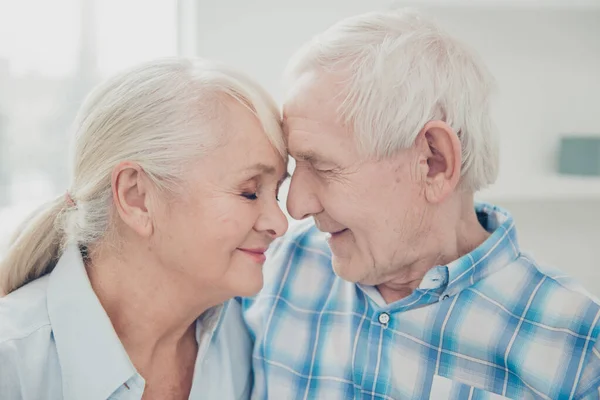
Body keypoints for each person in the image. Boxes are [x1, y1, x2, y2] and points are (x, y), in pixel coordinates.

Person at [242, 9, 600, 400]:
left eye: (323, 166)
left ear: (433, 162)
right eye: (297, 166)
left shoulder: (578, 348)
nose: (295, 207)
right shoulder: (278, 267)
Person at [0, 58, 289, 400]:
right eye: (249, 191)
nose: (280, 223)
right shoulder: (12, 366)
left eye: (277, 192)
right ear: (136, 197)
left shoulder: (249, 338)